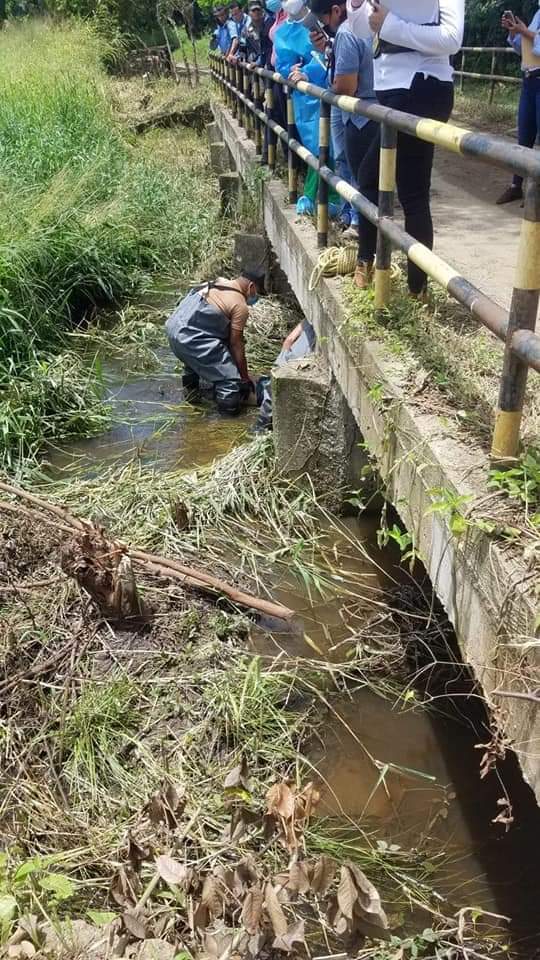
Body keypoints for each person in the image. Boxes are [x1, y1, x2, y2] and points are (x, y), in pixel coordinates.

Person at [346, 0, 464, 296]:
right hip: (393, 90)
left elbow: (452, 38)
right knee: (410, 190)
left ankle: (370, 265)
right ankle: (414, 287)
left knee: (374, 179)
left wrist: (391, 26)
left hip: (422, 85)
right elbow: (362, 28)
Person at [310, 0, 378, 270]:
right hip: (371, 112)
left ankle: (364, 248)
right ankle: (360, 229)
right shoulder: (360, 30)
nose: (324, 25)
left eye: (324, 18)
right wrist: (328, 50)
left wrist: (331, 82)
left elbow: (346, 85)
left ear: (336, 11)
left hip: (361, 116)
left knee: (362, 179)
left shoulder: (348, 33)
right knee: (368, 180)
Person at [165, 272, 263, 415]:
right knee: (229, 383)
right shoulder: (240, 305)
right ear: (251, 287)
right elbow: (236, 344)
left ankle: (191, 395)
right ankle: (226, 421)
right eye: (257, 293)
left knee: (195, 359)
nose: (255, 298)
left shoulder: (216, 282)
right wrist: (244, 378)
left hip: (173, 330)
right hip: (191, 338)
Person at [497, 6, 540, 205]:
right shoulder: (538, 14)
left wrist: (524, 31)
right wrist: (515, 32)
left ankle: (535, 192)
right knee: (524, 136)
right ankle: (516, 186)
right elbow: (525, 48)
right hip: (529, 79)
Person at [255, 320, 316, 430]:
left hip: (296, 354)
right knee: (271, 387)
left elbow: (289, 340)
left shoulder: (309, 321)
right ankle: (262, 426)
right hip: (298, 351)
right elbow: (289, 340)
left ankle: (260, 429)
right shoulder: (309, 321)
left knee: (271, 389)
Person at [241, 0, 275, 65]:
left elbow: (268, 48)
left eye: (258, 10)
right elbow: (242, 47)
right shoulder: (245, 30)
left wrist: (258, 62)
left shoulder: (270, 25)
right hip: (252, 66)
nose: (256, 12)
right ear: (249, 13)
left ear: (262, 11)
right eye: (253, 10)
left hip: (268, 65)